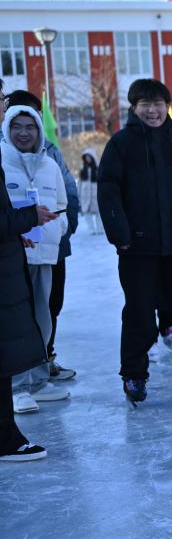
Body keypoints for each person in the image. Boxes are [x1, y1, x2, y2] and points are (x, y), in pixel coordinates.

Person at [97, 79, 172, 404]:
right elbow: (108, 192)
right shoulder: (121, 145)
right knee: (138, 313)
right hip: (137, 248)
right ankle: (134, 375)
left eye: (158, 104)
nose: (152, 111)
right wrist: (120, 235)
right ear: (134, 108)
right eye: (145, 104)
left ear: (167, 107)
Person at [3, 90, 80, 383]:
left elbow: (64, 199)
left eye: (30, 126)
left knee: (45, 311)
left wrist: (60, 231)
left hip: (46, 252)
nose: (24, 133)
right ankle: (18, 383)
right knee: (15, 319)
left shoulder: (50, 160)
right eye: (16, 126)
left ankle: (40, 373)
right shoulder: (2, 159)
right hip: (11, 253)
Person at [0, 118, 59, 459]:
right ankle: (6, 437)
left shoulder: (49, 161)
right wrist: (27, 218)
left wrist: (15, 231)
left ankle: (7, 433)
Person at [79, 148, 101, 234]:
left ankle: (100, 228)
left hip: (96, 195)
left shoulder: (98, 169)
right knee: (87, 213)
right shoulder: (82, 169)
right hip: (85, 195)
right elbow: (80, 183)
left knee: (99, 213)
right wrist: (79, 195)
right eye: (86, 157)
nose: (88, 159)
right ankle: (91, 229)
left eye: (89, 157)